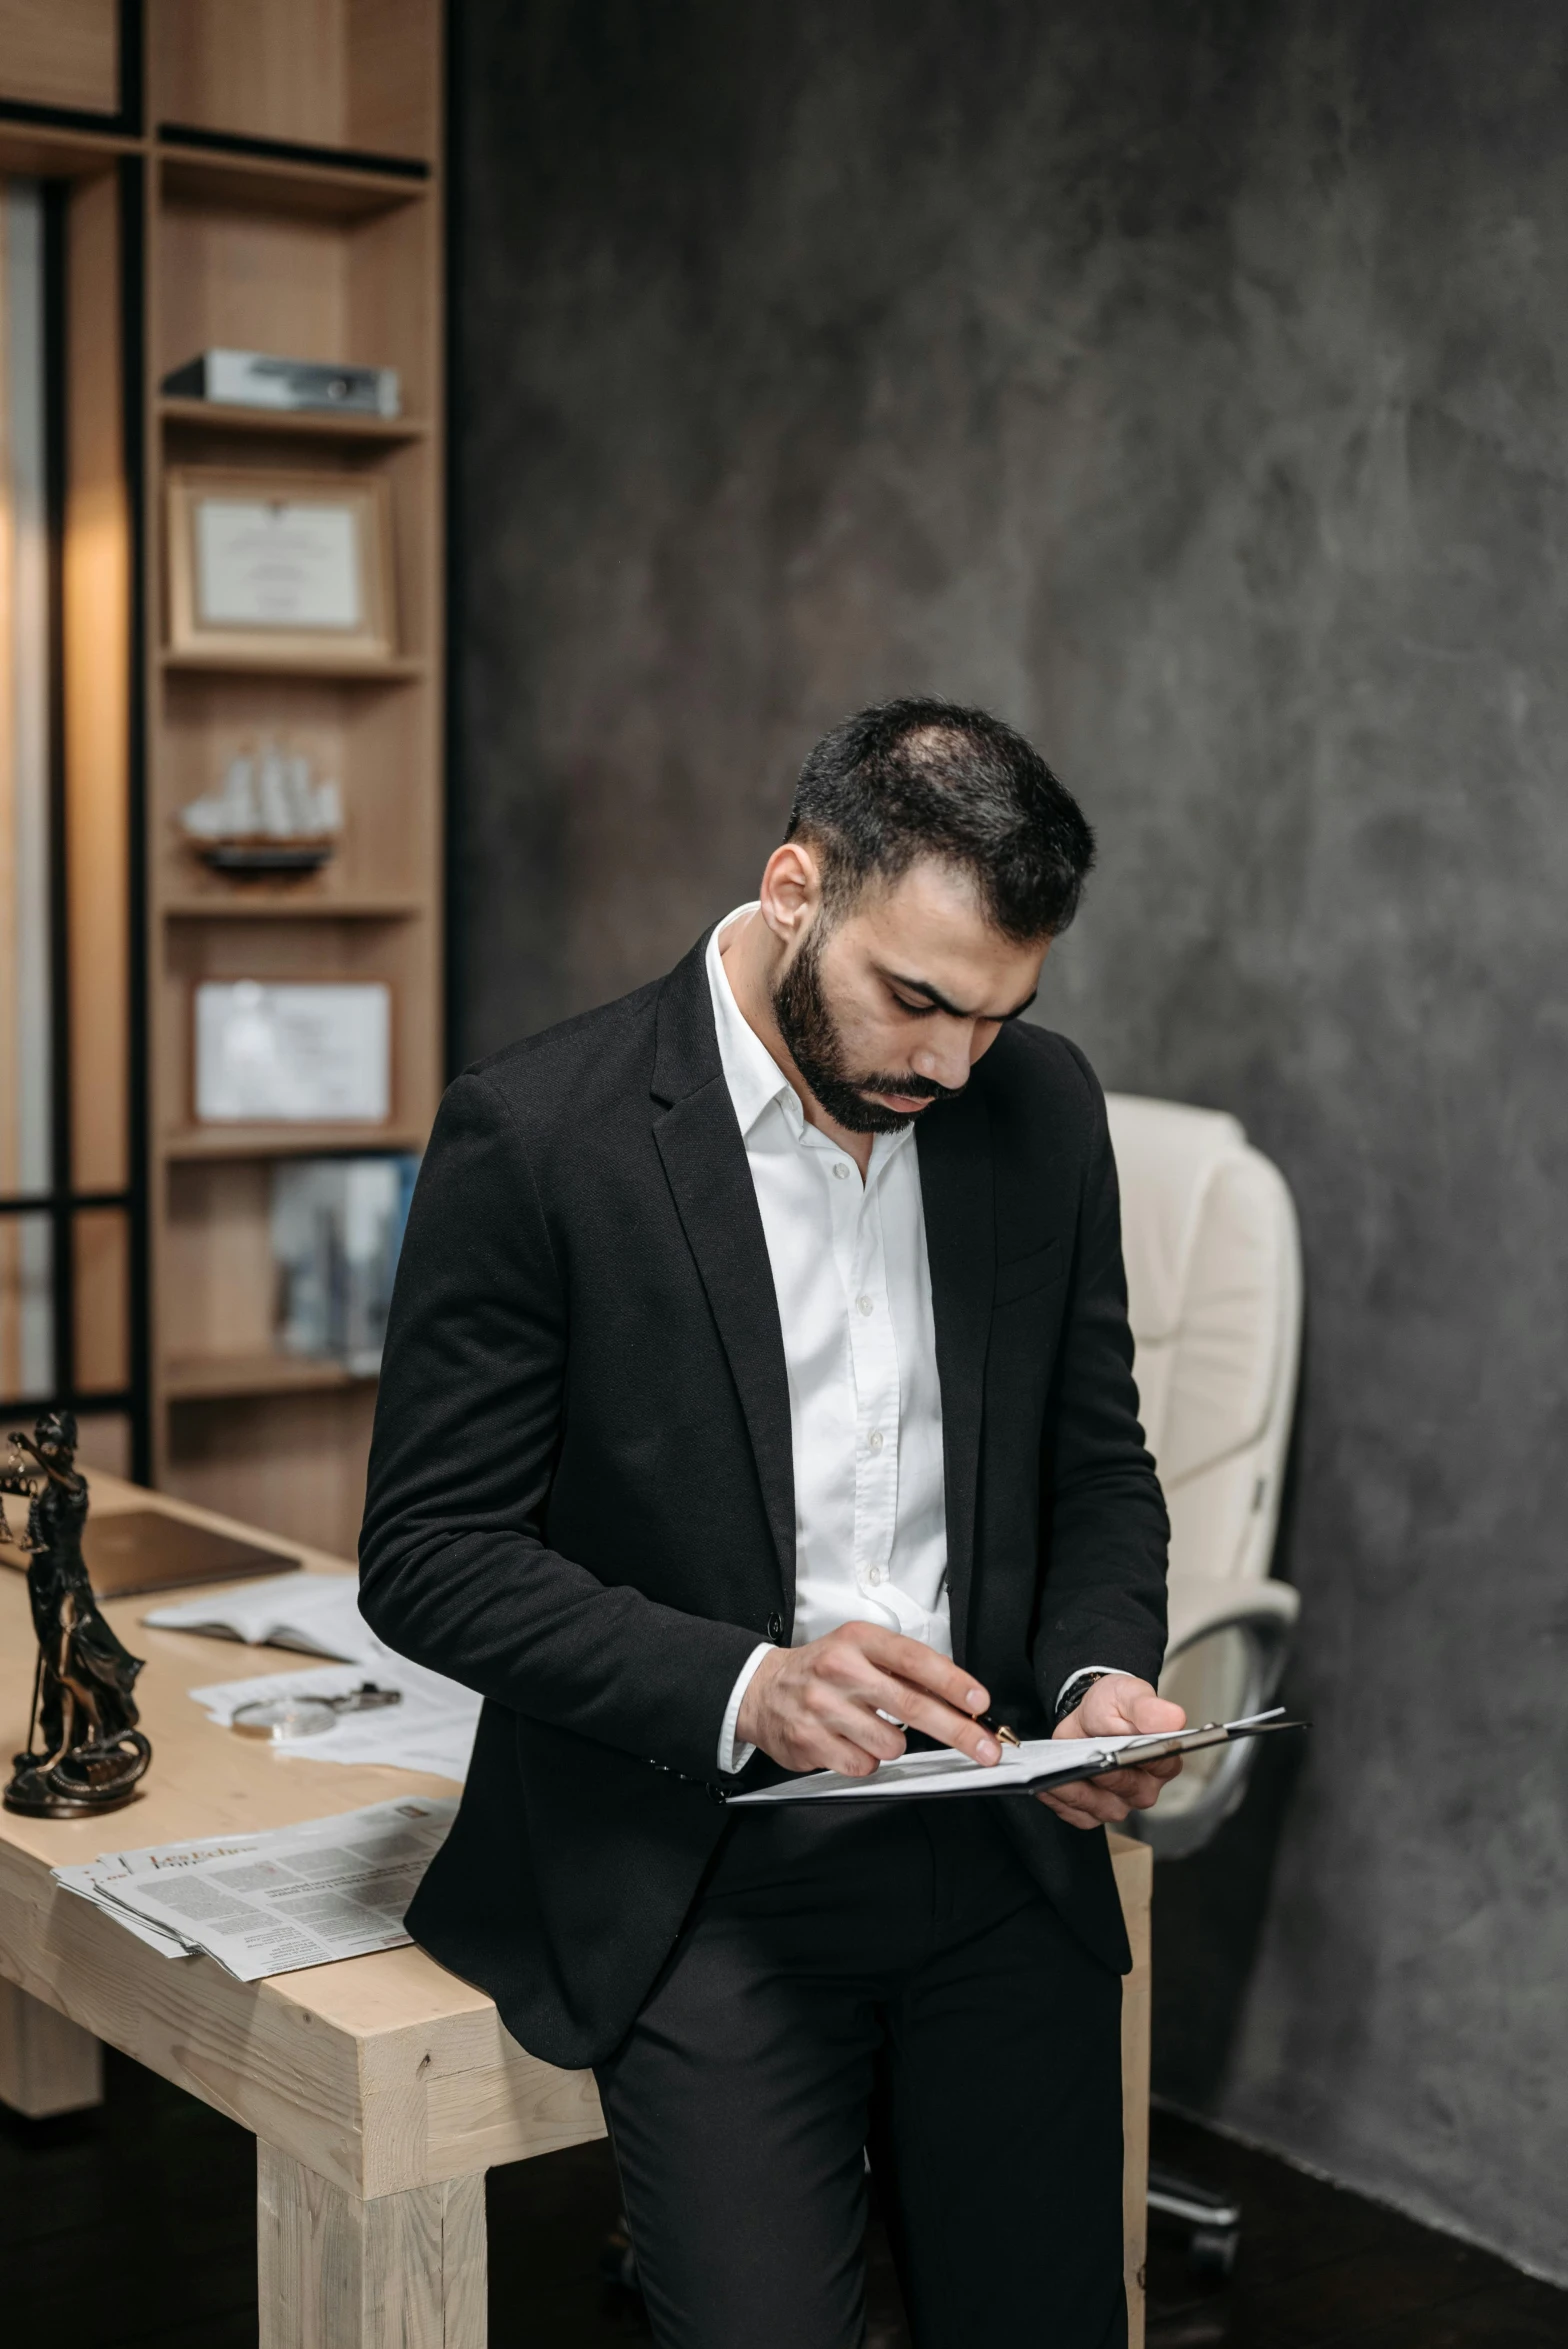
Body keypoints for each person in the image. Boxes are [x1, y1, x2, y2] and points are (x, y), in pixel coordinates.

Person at [360, 698, 1185, 2349]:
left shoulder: (1041, 1108)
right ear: (796, 887)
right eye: (920, 1001)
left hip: (998, 1841)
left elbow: (1094, 1461)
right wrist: (751, 1686)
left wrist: (1101, 1671)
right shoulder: (542, 1136)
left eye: (998, 1016)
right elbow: (432, 1551)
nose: (952, 1065)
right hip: (706, 1862)